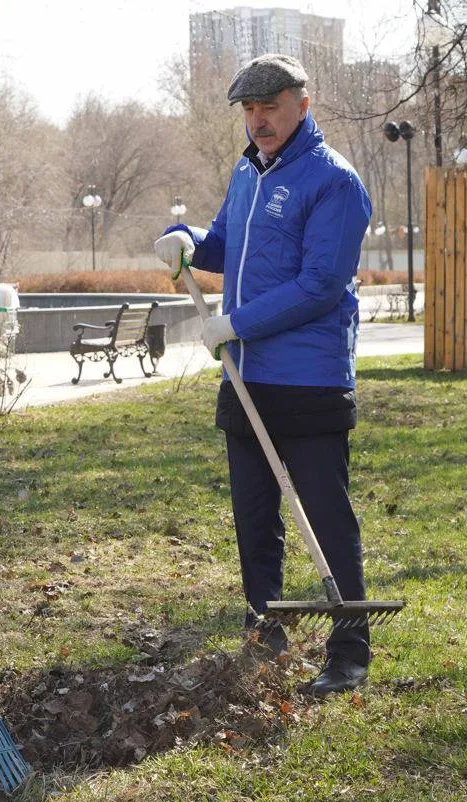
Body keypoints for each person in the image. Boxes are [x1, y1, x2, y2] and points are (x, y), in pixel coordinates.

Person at [153, 54, 373, 697]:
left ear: (303, 104)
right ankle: (265, 626)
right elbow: (225, 244)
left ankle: (350, 645)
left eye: (269, 107)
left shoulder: (333, 182)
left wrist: (236, 323)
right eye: (249, 111)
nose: (258, 121)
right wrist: (186, 238)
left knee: (326, 513)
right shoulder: (247, 174)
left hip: (308, 377)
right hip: (245, 376)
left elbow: (320, 285)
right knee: (254, 513)